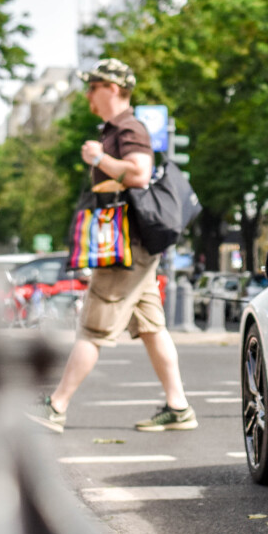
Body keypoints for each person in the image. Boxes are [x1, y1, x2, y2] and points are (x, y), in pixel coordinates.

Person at [28, 59, 198, 434]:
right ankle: (179, 407)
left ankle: (55, 407)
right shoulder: (117, 128)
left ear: (115, 89)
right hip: (133, 244)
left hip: (126, 247)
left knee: (92, 328)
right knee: (152, 328)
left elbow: (138, 172)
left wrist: (99, 158)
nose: (89, 93)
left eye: (94, 86)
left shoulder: (128, 128)